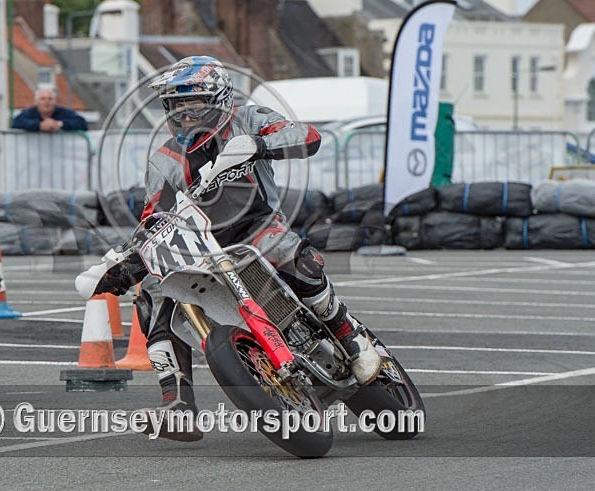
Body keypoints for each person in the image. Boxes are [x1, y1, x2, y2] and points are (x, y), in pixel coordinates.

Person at [93, 56, 381, 441]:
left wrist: (261, 145)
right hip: (200, 247)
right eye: (176, 104)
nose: (183, 112)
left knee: (293, 256)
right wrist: (128, 263)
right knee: (153, 294)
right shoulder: (164, 158)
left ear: (218, 97)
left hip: (259, 228)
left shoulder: (248, 118)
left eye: (192, 102)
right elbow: (152, 217)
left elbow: (307, 136)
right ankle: (177, 404)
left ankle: (348, 335)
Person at [12, 88, 88, 132]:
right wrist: (39, 126)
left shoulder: (63, 112)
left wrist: (59, 124)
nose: (47, 102)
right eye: (43, 99)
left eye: (50, 99)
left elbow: (82, 123)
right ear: (36, 102)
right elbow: (16, 122)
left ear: (55, 102)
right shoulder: (30, 112)